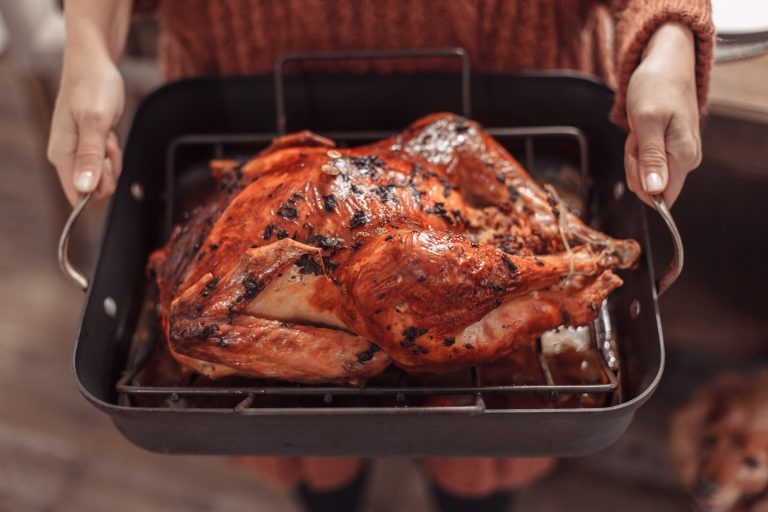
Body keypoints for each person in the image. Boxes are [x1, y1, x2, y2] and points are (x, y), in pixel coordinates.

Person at [47, 1, 714, 511]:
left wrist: (669, 39)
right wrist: (87, 46)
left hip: (509, 57)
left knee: (478, 459)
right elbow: (199, 324)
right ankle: (568, 270)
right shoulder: (208, 286)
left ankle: (568, 250)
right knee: (313, 453)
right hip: (241, 90)